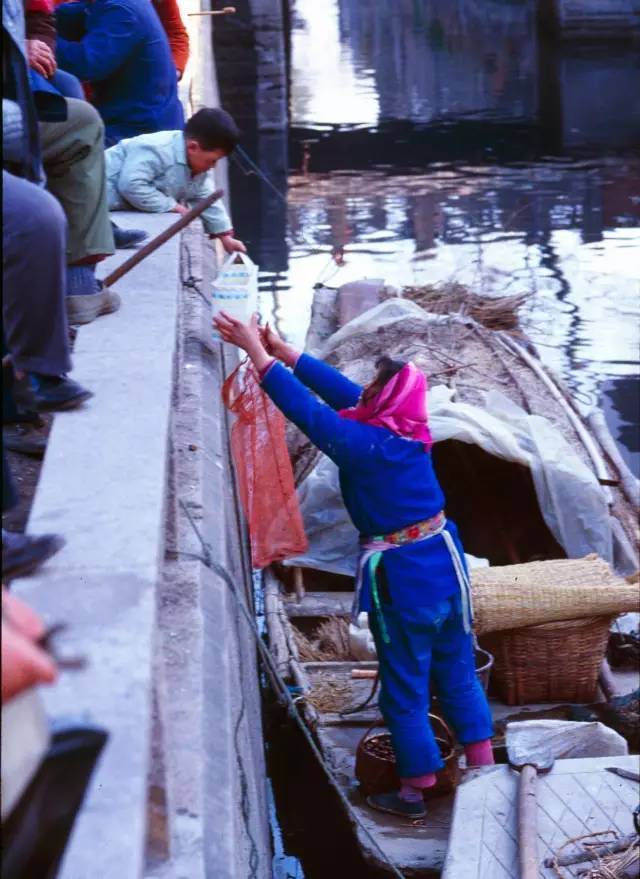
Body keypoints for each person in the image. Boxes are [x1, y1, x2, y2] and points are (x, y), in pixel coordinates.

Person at [213, 312, 495, 819]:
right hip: (448, 574)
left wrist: (255, 353)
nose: (363, 393)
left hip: (407, 585)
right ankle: (482, 764)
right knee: (456, 672)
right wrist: (284, 352)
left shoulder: (363, 447)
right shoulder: (407, 429)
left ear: (383, 401)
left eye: (373, 389)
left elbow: (309, 414)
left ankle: (414, 788)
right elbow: (348, 395)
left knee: (405, 687)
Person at [105, 108, 247, 252]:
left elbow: (205, 197)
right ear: (193, 147)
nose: (213, 167)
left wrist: (225, 236)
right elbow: (131, 184)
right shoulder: (156, 149)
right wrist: (170, 205)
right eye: (211, 161)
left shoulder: (197, 164)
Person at [55, 0, 184, 146]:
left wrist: (44, 44)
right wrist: (39, 18)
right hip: (132, 119)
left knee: (62, 149)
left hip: (140, 132)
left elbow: (86, 63)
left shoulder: (124, 11)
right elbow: (70, 15)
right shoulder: (109, 5)